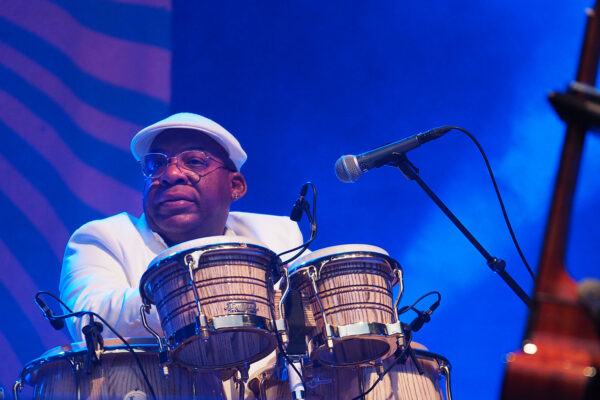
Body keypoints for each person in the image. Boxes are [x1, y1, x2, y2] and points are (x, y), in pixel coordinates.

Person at [59, 112, 303, 355]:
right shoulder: (102, 239)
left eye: (195, 161)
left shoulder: (276, 239)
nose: (171, 174)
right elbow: (90, 324)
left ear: (235, 186)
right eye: (157, 164)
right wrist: (205, 291)